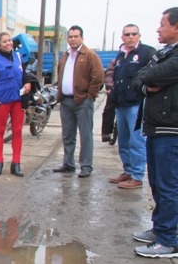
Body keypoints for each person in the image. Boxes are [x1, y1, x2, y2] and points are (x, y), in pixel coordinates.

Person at [131, 8, 178, 258]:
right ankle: (160, 230)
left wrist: (148, 79)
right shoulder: (164, 54)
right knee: (157, 184)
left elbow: (148, 74)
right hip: (156, 127)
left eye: (162, 24)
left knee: (168, 186)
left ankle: (169, 240)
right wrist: (149, 87)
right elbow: (139, 79)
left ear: (176, 27)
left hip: (171, 129)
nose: (158, 29)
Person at [52, 25, 104, 178]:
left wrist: (89, 96)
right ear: (67, 39)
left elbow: (98, 78)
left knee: (85, 135)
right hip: (66, 102)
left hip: (83, 102)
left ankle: (86, 166)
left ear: (82, 38)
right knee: (68, 135)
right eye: (70, 36)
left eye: (76, 36)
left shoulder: (90, 55)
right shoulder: (65, 55)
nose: (73, 39)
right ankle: (68, 164)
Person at [107, 25, 156, 189]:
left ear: (139, 35)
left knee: (137, 141)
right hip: (121, 104)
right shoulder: (121, 55)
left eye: (134, 34)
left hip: (136, 104)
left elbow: (155, 73)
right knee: (124, 141)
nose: (130, 37)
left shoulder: (147, 52)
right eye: (127, 34)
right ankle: (128, 171)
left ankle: (137, 175)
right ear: (122, 37)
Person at [0, 32, 33, 177]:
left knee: (18, 131)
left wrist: (28, 83)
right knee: (0, 131)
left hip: (18, 100)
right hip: (1, 102)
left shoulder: (18, 57)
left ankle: (16, 164)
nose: (8, 43)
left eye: (10, 40)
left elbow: (26, 74)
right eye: (4, 42)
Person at [101, 56, 117, 142]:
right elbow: (109, 75)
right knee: (109, 110)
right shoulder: (115, 62)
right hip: (115, 90)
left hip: (131, 92)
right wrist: (110, 88)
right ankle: (106, 133)